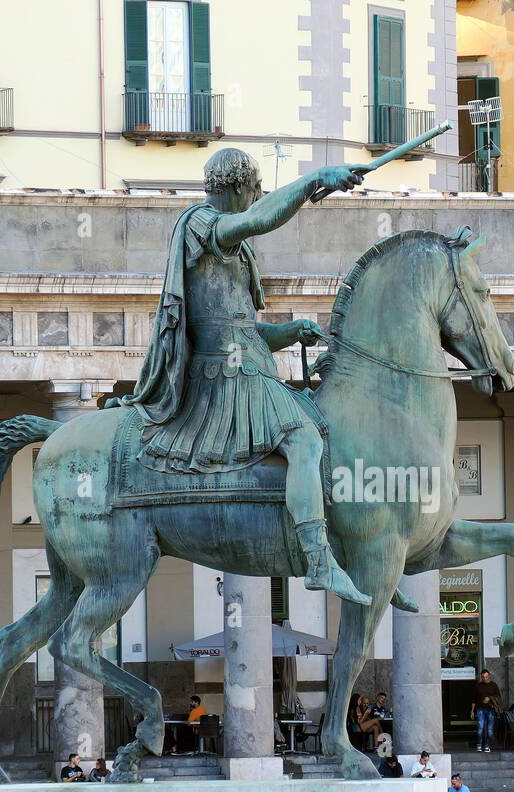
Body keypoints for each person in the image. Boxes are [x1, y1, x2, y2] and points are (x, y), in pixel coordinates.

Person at [106, 146, 371, 606]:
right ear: (236, 186)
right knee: (305, 441)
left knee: (322, 434)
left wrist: (289, 332)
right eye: (253, 188)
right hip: (227, 378)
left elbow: (243, 330)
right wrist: (313, 180)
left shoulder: (234, 246)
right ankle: (319, 561)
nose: (257, 197)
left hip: (248, 363)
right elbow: (256, 221)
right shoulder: (202, 223)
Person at [471, 669, 501, 753]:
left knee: (490, 730)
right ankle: (479, 745)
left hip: (491, 710)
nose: (485, 679)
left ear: (489, 676)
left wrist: (490, 698)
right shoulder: (478, 686)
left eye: (487, 677)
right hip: (480, 709)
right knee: (480, 728)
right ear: (481, 677)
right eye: (483, 677)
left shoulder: (494, 685)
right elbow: (474, 699)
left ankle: (487, 745)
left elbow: (499, 697)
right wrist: (472, 711)